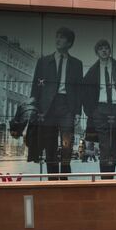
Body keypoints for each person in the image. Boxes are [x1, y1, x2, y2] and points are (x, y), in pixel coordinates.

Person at [28, 27, 83, 180]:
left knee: (67, 142)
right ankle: (52, 177)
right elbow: (35, 85)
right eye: (57, 36)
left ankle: (64, 172)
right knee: (50, 144)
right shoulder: (44, 61)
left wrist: (78, 111)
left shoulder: (77, 64)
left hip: (67, 106)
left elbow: (79, 90)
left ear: (69, 43)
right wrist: (34, 104)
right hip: (48, 107)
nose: (58, 40)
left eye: (62, 37)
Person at [83, 39, 116, 178]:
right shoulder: (92, 71)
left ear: (110, 51)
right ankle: (105, 177)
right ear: (97, 52)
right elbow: (85, 93)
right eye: (100, 48)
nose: (104, 50)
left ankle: (111, 175)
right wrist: (91, 111)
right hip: (101, 109)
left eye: (106, 48)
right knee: (105, 145)